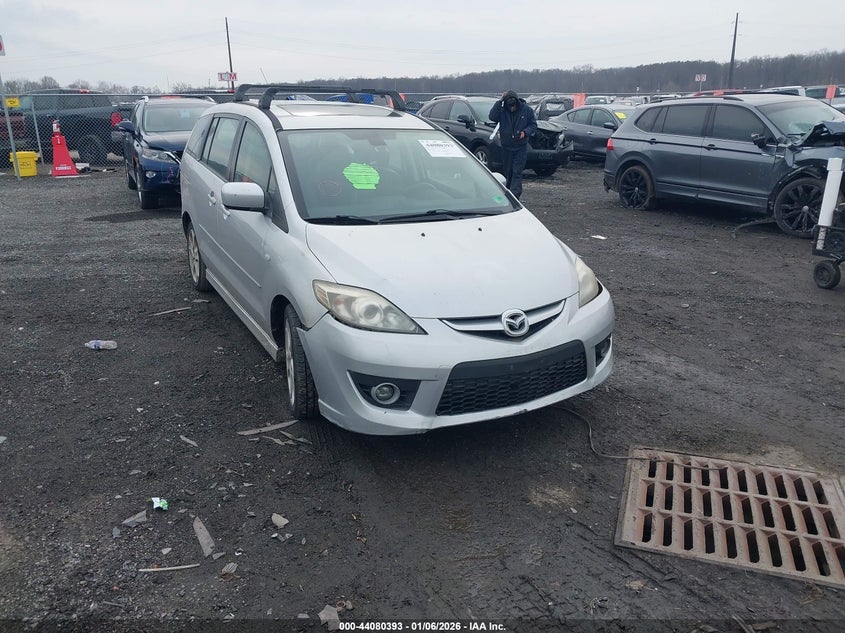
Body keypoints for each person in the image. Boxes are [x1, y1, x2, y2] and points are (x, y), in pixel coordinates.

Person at [489, 90, 537, 199]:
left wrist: (525, 132)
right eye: (509, 106)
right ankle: (509, 193)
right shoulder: (502, 111)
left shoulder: (527, 110)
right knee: (508, 172)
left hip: (520, 146)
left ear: (517, 103)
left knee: (517, 172)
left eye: (513, 106)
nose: (512, 108)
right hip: (506, 146)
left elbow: (533, 125)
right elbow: (492, 117)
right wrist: (500, 101)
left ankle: (515, 195)